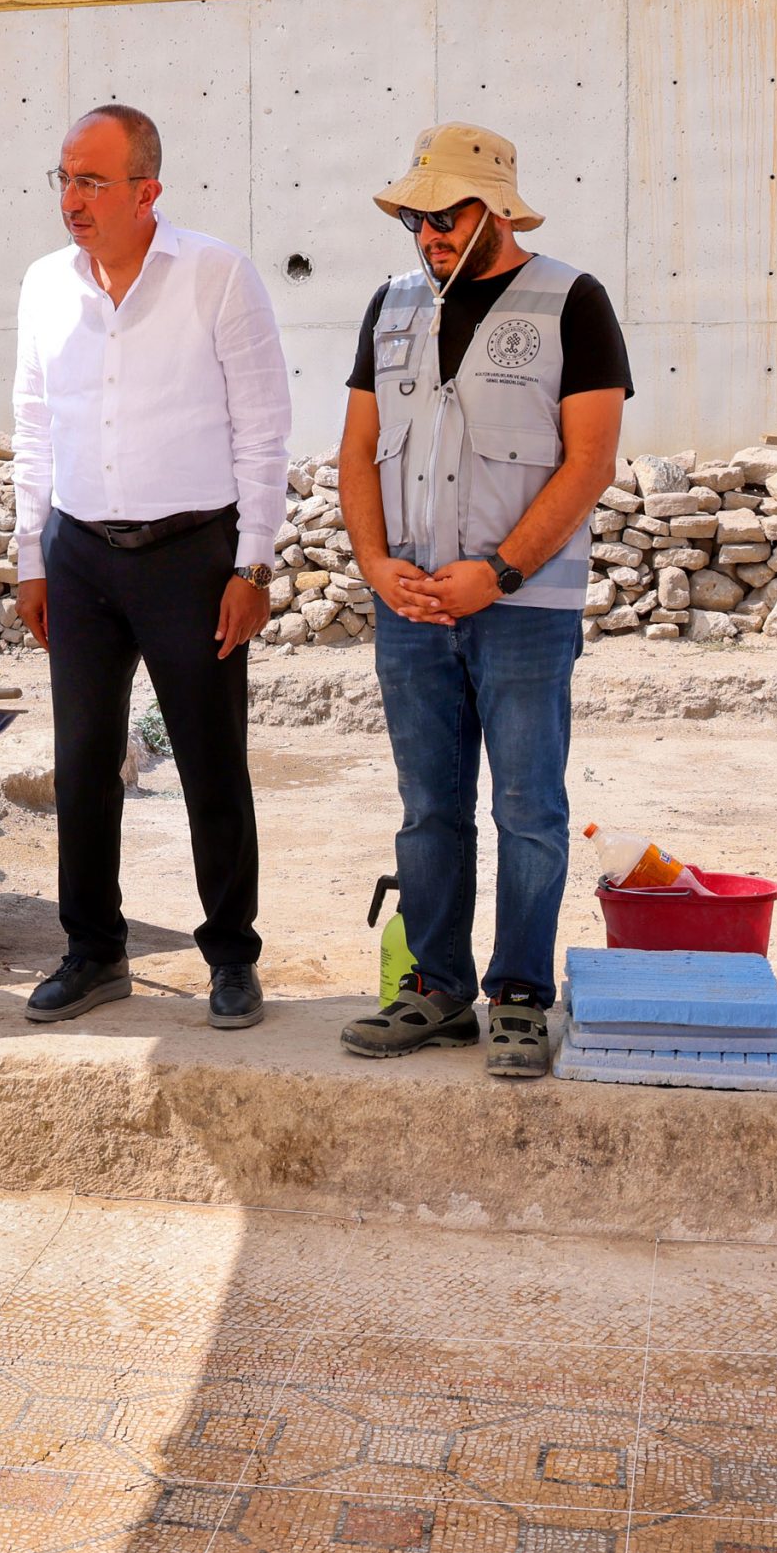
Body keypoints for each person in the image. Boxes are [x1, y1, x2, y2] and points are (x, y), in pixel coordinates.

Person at [336, 123, 629, 1076]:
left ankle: (518, 996)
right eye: (416, 218)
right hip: (410, 602)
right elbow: (357, 449)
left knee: (529, 808)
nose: (428, 234)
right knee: (429, 808)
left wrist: (496, 574)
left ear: (495, 206)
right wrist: (377, 567)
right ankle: (436, 987)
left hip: (524, 608)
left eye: (447, 214)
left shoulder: (573, 301)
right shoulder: (390, 306)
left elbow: (589, 462)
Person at [11, 105, 290, 1031]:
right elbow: (34, 424)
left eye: (91, 181)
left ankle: (231, 955)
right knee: (82, 758)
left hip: (192, 557)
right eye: (62, 178)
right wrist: (30, 555)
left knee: (212, 761)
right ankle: (93, 949)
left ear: (146, 190)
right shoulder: (45, 286)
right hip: (80, 554)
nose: (72, 199)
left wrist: (252, 563)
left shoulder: (217, 275)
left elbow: (263, 427)